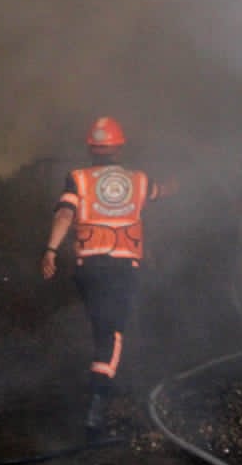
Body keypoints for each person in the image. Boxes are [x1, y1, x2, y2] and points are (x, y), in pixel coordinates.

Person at [41, 116, 173, 438]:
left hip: (89, 269)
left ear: (91, 148)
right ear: (120, 147)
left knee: (109, 328)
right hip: (122, 268)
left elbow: (64, 214)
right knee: (111, 333)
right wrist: (187, 182)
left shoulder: (78, 179)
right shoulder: (139, 181)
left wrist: (51, 250)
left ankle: (116, 383)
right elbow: (162, 191)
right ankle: (96, 409)